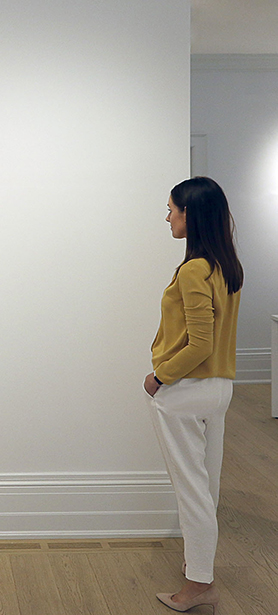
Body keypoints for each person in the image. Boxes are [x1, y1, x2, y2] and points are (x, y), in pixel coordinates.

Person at [144, 176, 243, 614]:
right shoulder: (226, 266)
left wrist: (160, 377)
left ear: (191, 214)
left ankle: (198, 585)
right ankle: (200, 573)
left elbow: (199, 343)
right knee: (208, 486)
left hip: (186, 391)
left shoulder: (192, 269)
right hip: (219, 389)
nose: (167, 216)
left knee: (192, 492)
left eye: (171, 209)